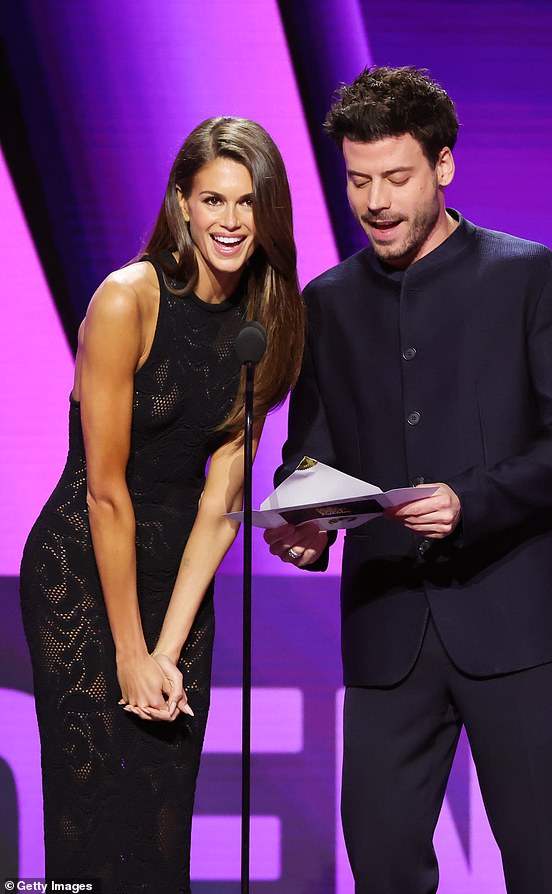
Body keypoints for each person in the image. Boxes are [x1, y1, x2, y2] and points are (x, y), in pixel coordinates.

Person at [264, 67, 552, 894]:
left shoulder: (532, 278)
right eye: (358, 180)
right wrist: (305, 518)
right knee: (381, 864)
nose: (375, 201)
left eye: (396, 178)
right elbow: (305, 451)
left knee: (548, 867)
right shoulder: (328, 303)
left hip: (522, 622)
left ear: (444, 166)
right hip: (389, 631)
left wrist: (473, 500)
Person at [20, 116, 304, 893]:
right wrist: (129, 651)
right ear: (182, 203)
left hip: (180, 582)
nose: (230, 221)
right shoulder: (126, 301)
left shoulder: (271, 318)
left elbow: (221, 505)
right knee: (90, 811)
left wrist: (167, 650)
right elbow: (106, 493)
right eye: (213, 199)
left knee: (159, 812)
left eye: (248, 203)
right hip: (84, 572)